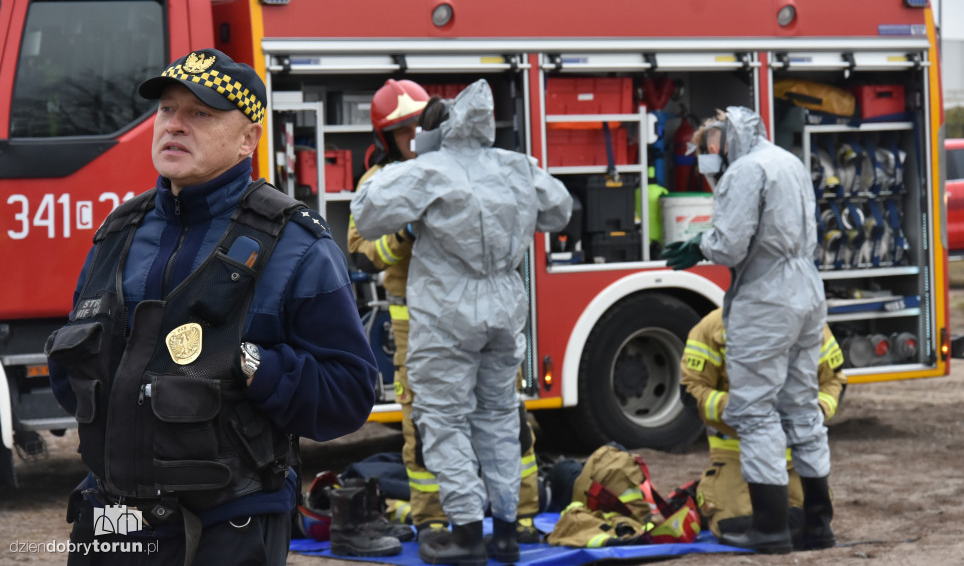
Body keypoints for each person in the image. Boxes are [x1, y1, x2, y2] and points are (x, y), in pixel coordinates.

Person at [45, 48, 378, 565]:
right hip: (110, 517)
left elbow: (350, 393)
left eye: (200, 113)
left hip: (229, 524)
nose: (175, 125)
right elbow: (75, 373)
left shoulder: (295, 247)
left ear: (248, 139)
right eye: (166, 110)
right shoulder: (119, 233)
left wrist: (254, 367)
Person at [351, 79, 572, 566]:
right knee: (498, 417)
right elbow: (559, 210)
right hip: (504, 306)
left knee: (443, 423)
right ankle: (508, 533)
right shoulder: (514, 166)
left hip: (447, 315)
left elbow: (365, 217)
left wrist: (420, 178)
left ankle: (467, 534)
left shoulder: (426, 170)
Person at [663, 106, 832, 554]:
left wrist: (697, 245)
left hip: (767, 299)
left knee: (755, 411)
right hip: (806, 290)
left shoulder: (744, 171)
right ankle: (818, 524)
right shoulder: (786, 161)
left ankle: (771, 528)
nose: (705, 160)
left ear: (721, 141)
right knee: (801, 406)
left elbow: (730, 243)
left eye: (705, 150)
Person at [681, 308, 846, 545]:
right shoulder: (715, 327)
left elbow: (834, 381)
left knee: (812, 528)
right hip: (737, 456)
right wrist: (739, 408)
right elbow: (690, 391)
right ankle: (710, 492)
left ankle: (714, 494)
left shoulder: (810, 324)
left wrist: (813, 411)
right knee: (738, 525)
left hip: (794, 458)